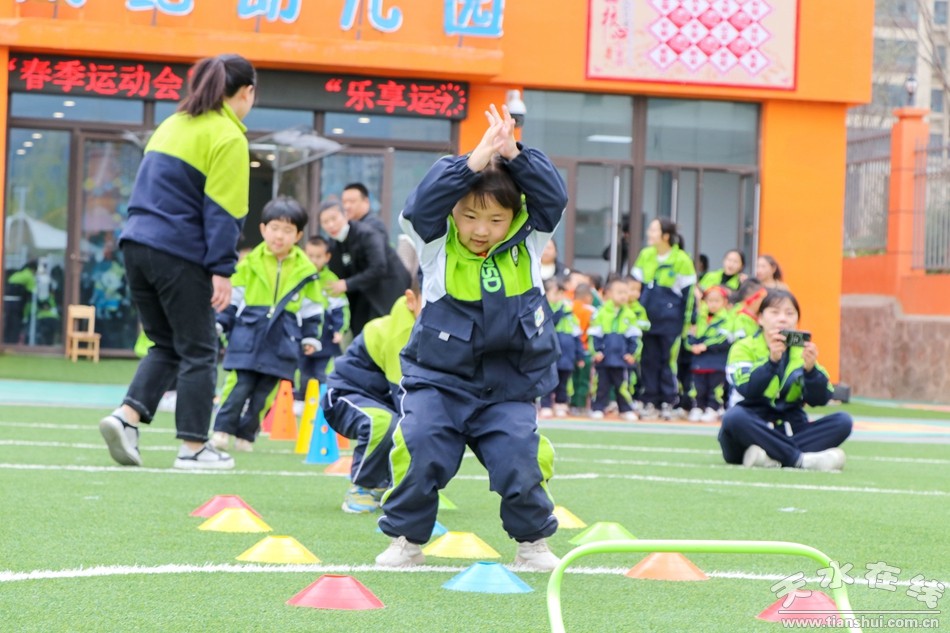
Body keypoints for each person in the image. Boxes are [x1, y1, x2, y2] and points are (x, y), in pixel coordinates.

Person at [376, 104, 568, 571]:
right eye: (470, 217)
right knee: (420, 445)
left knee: (519, 458)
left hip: (509, 385)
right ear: (453, 215)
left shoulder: (530, 240)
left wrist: (513, 154)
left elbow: (553, 197)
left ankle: (532, 543)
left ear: (515, 218)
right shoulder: (434, 243)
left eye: (496, 219)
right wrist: (475, 159)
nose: (482, 230)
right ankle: (406, 538)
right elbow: (422, 203)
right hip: (440, 381)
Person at [98, 54, 256, 470]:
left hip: (135, 244)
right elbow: (225, 211)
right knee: (201, 349)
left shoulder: (172, 124)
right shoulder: (228, 136)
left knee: (166, 343)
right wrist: (222, 269)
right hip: (179, 253)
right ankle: (192, 447)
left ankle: (126, 418)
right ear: (246, 93)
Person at [211, 197, 325, 452]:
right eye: (274, 228)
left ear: (298, 235)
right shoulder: (249, 263)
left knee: (266, 392)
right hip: (248, 332)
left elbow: (312, 308)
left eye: (287, 230)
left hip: (283, 336)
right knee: (240, 385)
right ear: (263, 229)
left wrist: (310, 336)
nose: (279, 236)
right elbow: (234, 296)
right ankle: (222, 429)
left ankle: (247, 435)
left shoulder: (306, 269)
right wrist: (221, 323)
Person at [719, 289, 852, 471]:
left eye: (789, 313)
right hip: (751, 426)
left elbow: (820, 399)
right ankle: (800, 460)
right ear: (760, 318)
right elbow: (748, 389)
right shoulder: (743, 347)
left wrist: (811, 371)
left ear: (797, 320)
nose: (782, 319)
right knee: (734, 418)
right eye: (775, 312)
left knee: (843, 421)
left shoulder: (802, 352)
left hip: (789, 427)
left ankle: (768, 457)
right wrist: (771, 363)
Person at [322, 280, 421, 513]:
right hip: (345, 395)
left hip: (382, 400)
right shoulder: (403, 332)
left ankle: (392, 485)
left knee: (419, 423)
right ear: (411, 300)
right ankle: (363, 486)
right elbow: (404, 396)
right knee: (388, 422)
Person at [631, 218, 696, 420]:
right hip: (647, 320)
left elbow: (689, 295)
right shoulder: (645, 255)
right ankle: (650, 400)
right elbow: (635, 287)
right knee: (648, 360)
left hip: (671, 321)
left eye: (653, 230)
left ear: (665, 236)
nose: (649, 233)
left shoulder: (682, 259)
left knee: (668, 361)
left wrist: (690, 321)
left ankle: (669, 400)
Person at [319, 201, 411, 335]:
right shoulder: (332, 245)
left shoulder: (367, 233)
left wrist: (347, 284)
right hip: (362, 293)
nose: (331, 225)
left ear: (345, 215)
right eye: (325, 222)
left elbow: (379, 267)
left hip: (388, 288)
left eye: (334, 218)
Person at [297, 235, 350, 397]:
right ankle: (299, 400)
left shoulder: (330, 281)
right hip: (301, 336)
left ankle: (324, 403)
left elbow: (340, 308)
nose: (314, 260)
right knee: (302, 372)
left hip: (326, 340)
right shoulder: (298, 278)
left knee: (323, 374)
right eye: (310, 255)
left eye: (318, 256)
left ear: (327, 257)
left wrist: (339, 329)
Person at [588, 277, 644, 421]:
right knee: (601, 386)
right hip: (604, 359)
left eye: (626, 292)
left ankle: (625, 409)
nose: (623, 295)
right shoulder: (600, 313)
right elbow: (594, 335)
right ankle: (598, 408)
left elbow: (635, 337)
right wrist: (596, 352)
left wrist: (633, 353)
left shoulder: (630, 315)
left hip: (622, 359)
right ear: (608, 293)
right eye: (619, 292)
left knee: (623, 386)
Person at [686, 286, 733, 423]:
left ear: (724, 302)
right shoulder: (700, 317)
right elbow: (691, 334)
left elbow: (723, 338)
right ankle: (698, 407)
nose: (712, 304)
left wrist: (705, 345)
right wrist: (692, 345)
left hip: (716, 361)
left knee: (715, 387)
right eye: (709, 300)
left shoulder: (727, 319)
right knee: (698, 386)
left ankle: (713, 408)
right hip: (699, 360)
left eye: (716, 301)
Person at [540, 278, 584, 419]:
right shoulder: (541, 308)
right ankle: (546, 405)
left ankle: (561, 404)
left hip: (567, 354)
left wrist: (580, 355)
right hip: (548, 353)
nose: (559, 296)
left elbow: (577, 335)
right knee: (547, 380)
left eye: (561, 292)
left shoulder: (569, 311)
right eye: (555, 292)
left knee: (564, 381)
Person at [569, 281, 597, 415]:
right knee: (584, 380)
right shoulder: (590, 311)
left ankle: (570, 403)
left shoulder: (568, 308)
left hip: (569, 350)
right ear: (587, 297)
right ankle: (581, 405)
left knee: (571, 379)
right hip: (585, 349)